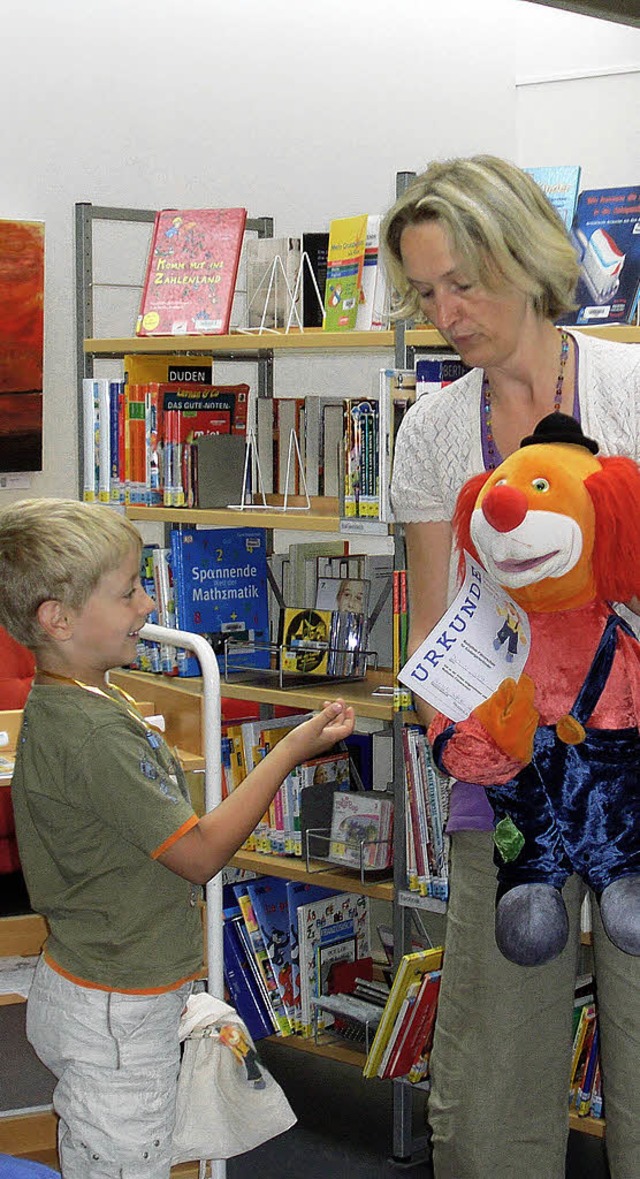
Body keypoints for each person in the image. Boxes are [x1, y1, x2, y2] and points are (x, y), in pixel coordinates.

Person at [382, 154, 640, 1179]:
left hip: (633, 785)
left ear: (528, 263)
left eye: (465, 282)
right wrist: (462, 740)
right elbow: (439, 627)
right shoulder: (435, 433)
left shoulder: (628, 392)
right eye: (427, 289)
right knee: (485, 1091)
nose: (448, 311)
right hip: (509, 791)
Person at [0, 498, 355, 1179]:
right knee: (123, 1162)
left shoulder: (84, 698)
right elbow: (199, 854)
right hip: (117, 1012)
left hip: (107, 990)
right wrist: (289, 748)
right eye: (128, 590)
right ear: (59, 619)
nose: (147, 603)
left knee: (124, 1150)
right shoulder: (93, 733)